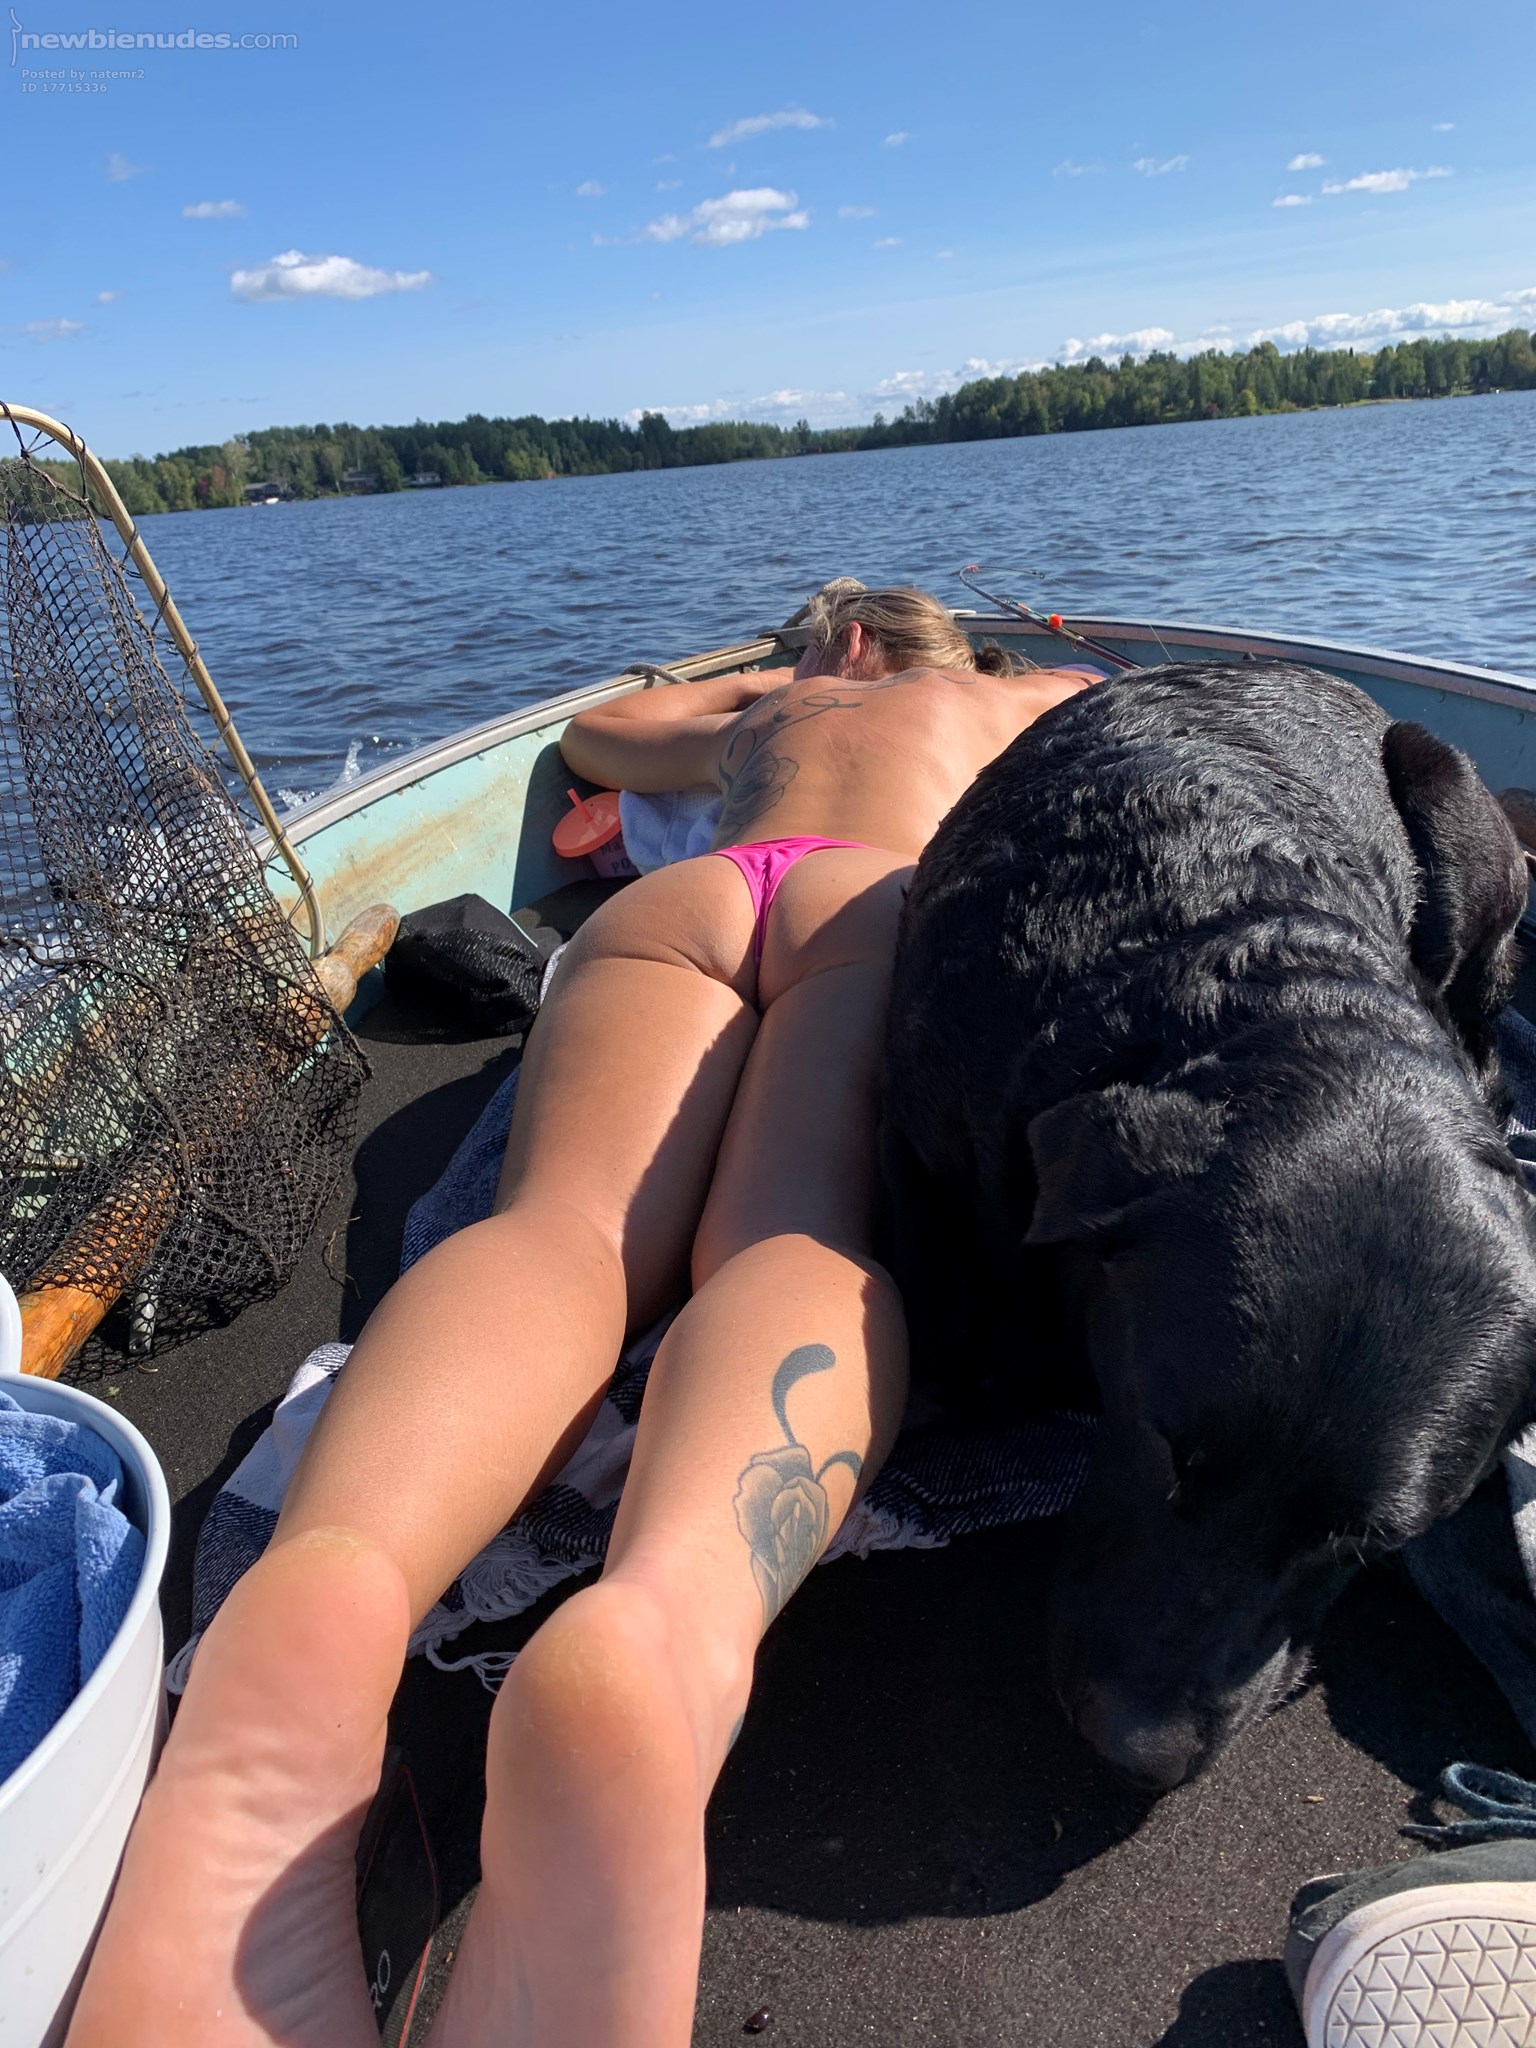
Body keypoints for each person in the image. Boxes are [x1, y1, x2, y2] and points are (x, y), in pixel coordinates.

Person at [68, 582, 1091, 2048]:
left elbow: (602, 736)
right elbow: (1126, 734)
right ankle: (666, 1636)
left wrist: (755, 686)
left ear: (843, 644)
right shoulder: (997, 705)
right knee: (793, 1234)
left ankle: (324, 1601)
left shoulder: (767, 714)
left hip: (687, 907)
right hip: (875, 905)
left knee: (563, 1229)